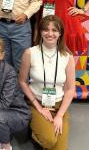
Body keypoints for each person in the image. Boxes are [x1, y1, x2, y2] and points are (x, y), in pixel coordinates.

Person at [19, 15, 75, 150]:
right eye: (46, 30)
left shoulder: (68, 57)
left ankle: (45, 129)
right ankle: (35, 130)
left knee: (60, 147)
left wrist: (60, 115)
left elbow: (70, 89)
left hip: (58, 106)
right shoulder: (30, 53)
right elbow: (22, 81)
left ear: (60, 33)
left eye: (54, 30)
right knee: (49, 141)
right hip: (36, 103)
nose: (50, 34)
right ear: (40, 32)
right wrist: (38, 107)